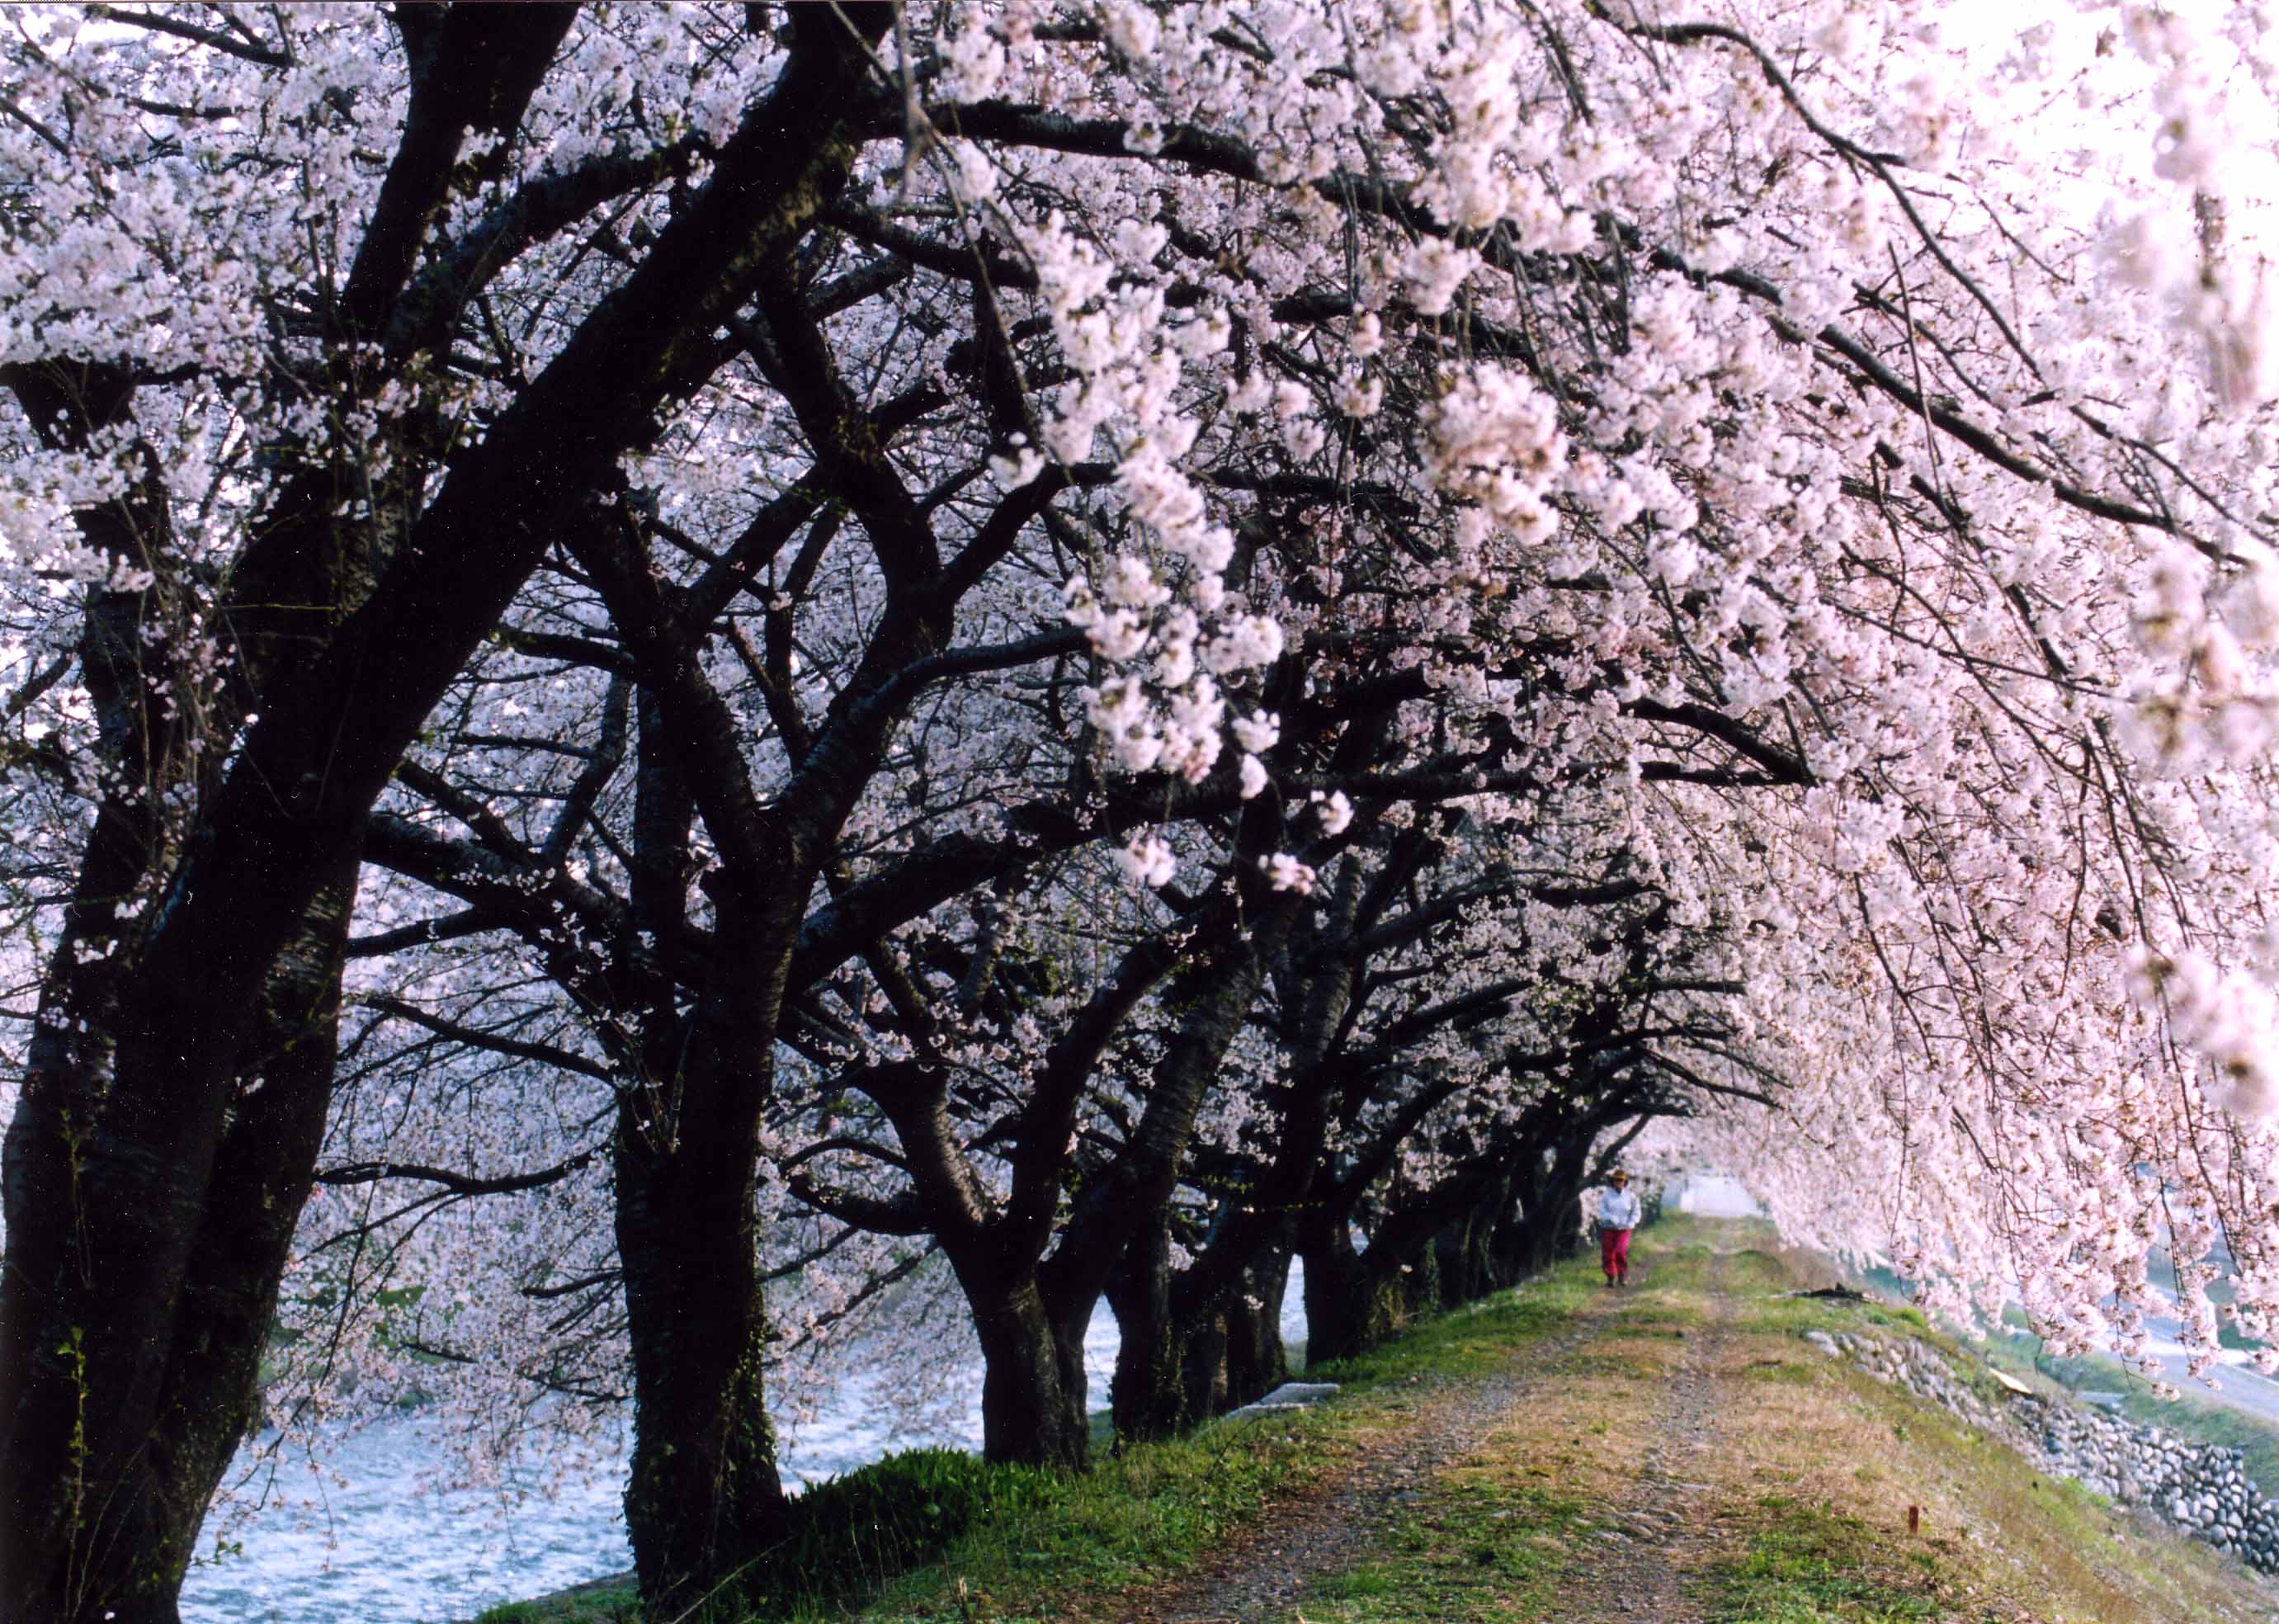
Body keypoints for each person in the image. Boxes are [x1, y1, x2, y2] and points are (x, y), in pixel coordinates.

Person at [1590, 1168, 1641, 1287]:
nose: (1618, 1182)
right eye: (1616, 1180)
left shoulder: (1630, 1196)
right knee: (1608, 1253)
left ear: (1625, 1182)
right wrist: (1609, 1217)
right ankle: (1610, 1277)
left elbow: (1636, 1210)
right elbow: (1601, 1210)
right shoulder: (1606, 1195)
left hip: (1624, 1229)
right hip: (1609, 1228)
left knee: (1620, 1251)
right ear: (1612, 1182)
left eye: (1621, 1180)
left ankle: (1622, 1276)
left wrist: (1632, 1222)